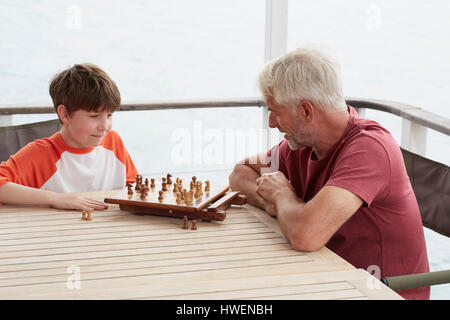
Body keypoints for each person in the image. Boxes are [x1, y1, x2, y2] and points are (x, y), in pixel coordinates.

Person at [229, 48, 430, 300]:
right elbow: (241, 173)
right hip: (328, 280)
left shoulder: (369, 148)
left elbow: (306, 236)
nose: (271, 122)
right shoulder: (303, 142)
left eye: (275, 111)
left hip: (378, 292)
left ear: (306, 111)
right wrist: (277, 206)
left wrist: (283, 197)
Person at [0, 63, 138, 211]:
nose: (104, 126)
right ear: (65, 114)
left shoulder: (113, 141)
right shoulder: (42, 153)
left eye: (109, 115)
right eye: (94, 116)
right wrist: (55, 198)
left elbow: (135, 187)